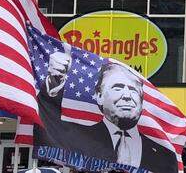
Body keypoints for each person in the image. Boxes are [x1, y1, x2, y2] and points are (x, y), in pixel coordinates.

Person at [41, 54, 177, 173]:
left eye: (133, 90)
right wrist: (54, 82)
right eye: (117, 88)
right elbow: (51, 117)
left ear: (141, 103)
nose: (127, 96)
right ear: (99, 96)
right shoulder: (79, 138)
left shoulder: (162, 153)